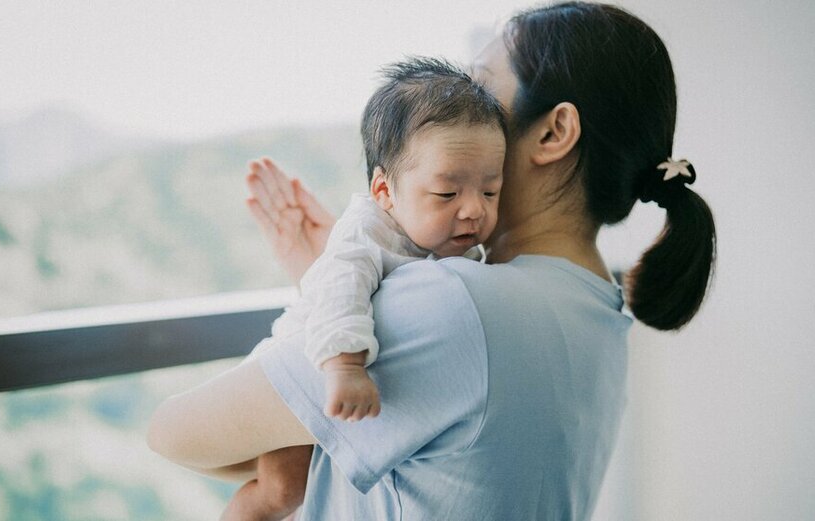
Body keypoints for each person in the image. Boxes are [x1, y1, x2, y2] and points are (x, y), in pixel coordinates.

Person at [147, 2, 717, 520]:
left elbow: (174, 433)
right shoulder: (598, 306)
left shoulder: (457, 303)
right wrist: (344, 282)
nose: (458, 107)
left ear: (555, 132)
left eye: (481, 90)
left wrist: (370, 294)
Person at [219, 57, 506, 519]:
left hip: (349, 401)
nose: (474, 210)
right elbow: (339, 295)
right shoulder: (363, 233)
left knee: (310, 490)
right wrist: (345, 367)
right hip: (306, 365)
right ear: (384, 192)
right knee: (282, 487)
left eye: (490, 191)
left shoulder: (456, 246)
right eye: (448, 194)